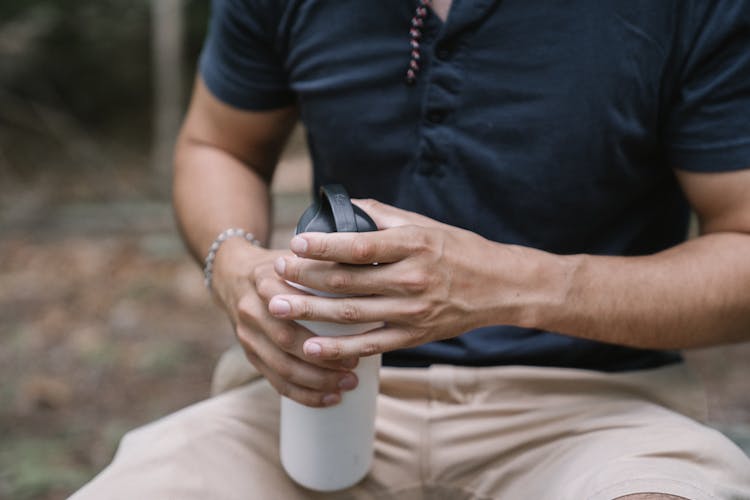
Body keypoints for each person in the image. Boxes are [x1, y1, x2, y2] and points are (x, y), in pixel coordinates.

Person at [73, 0, 750, 498]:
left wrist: (510, 285)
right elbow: (216, 145)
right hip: (316, 406)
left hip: (596, 416)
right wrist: (236, 267)